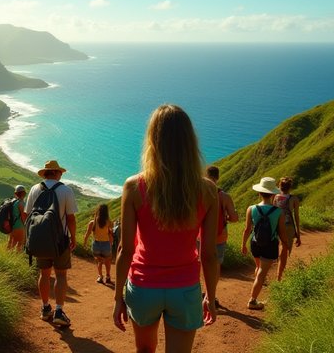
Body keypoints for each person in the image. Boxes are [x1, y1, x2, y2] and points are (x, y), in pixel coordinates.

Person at [112, 104, 219, 353]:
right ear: (189, 141)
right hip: (185, 288)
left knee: (145, 350)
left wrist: (118, 298)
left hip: (143, 286)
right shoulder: (207, 190)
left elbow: (124, 250)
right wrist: (210, 298)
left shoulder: (133, 187)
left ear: (153, 140)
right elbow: (209, 254)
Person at [25, 160, 78, 327]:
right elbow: (71, 218)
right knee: (61, 275)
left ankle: (45, 308)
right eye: (60, 172)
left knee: (44, 274)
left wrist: (32, 238)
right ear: (57, 173)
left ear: (45, 173)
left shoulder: (34, 189)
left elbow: (27, 216)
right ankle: (59, 311)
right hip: (60, 241)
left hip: (40, 241)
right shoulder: (65, 190)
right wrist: (73, 237)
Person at [241, 177, 288, 310]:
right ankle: (252, 300)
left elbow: (247, 229)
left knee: (258, 267)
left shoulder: (251, 208)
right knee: (262, 272)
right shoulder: (279, 212)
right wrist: (285, 244)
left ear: (259, 193)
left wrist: (243, 244)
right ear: (273, 194)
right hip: (270, 245)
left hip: (255, 243)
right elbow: (282, 232)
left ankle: (257, 285)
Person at [204, 165, 238, 309]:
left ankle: (203, 293)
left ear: (206, 176)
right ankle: (210, 296)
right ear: (217, 177)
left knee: (202, 264)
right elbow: (234, 218)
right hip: (219, 236)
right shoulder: (224, 196)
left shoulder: (199, 194)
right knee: (216, 266)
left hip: (201, 236)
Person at [273, 177, 301, 281]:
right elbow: (296, 217)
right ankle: (279, 277)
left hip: (277, 225)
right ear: (290, 187)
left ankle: (277, 274)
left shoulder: (275, 197)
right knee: (284, 251)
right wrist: (298, 233)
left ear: (280, 186)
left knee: (279, 249)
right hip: (289, 226)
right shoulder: (294, 199)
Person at [83, 203, 114, 284]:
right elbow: (110, 235)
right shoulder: (109, 223)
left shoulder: (92, 222)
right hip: (106, 244)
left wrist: (85, 243)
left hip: (96, 244)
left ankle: (100, 276)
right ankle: (108, 276)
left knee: (99, 261)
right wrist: (111, 244)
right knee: (107, 262)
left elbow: (87, 234)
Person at [6, 185, 27, 251]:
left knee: (10, 243)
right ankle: (16, 258)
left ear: (16, 194)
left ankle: (7, 256)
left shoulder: (13, 202)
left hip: (12, 225)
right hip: (20, 226)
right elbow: (23, 217)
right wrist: (26, 226)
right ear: (24, 193)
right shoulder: (21, 203)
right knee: (20, 243)